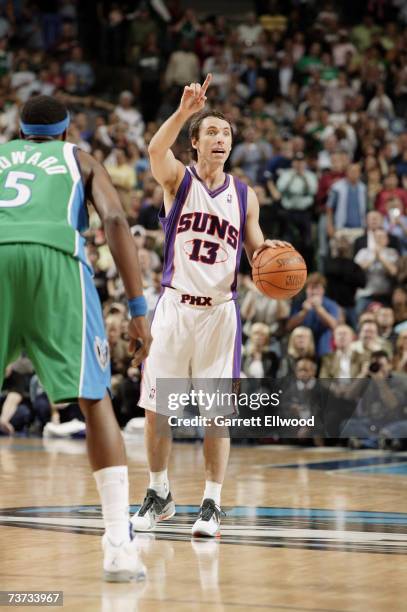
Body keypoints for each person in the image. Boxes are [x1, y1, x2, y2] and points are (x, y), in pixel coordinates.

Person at [0, 95, 152, 582]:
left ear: (20, 133)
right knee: (94, 399)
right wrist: (136, 308)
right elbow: (113, 221)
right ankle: (118, 547)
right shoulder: (79, 158)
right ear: (66, 133)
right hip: (56, 260)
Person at [131, 74, 288, 537]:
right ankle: (158, 493)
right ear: (196, 144)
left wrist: (268, 256)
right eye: (212, 132)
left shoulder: (245, 194)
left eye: (227, 134)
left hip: (221, 312)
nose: (221, 139)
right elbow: (155, 152)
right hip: (175, 308)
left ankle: (211, 503)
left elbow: (257, 249)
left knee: (217, 413)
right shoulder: (178, 180)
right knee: (157, 409)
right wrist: (183, 113)